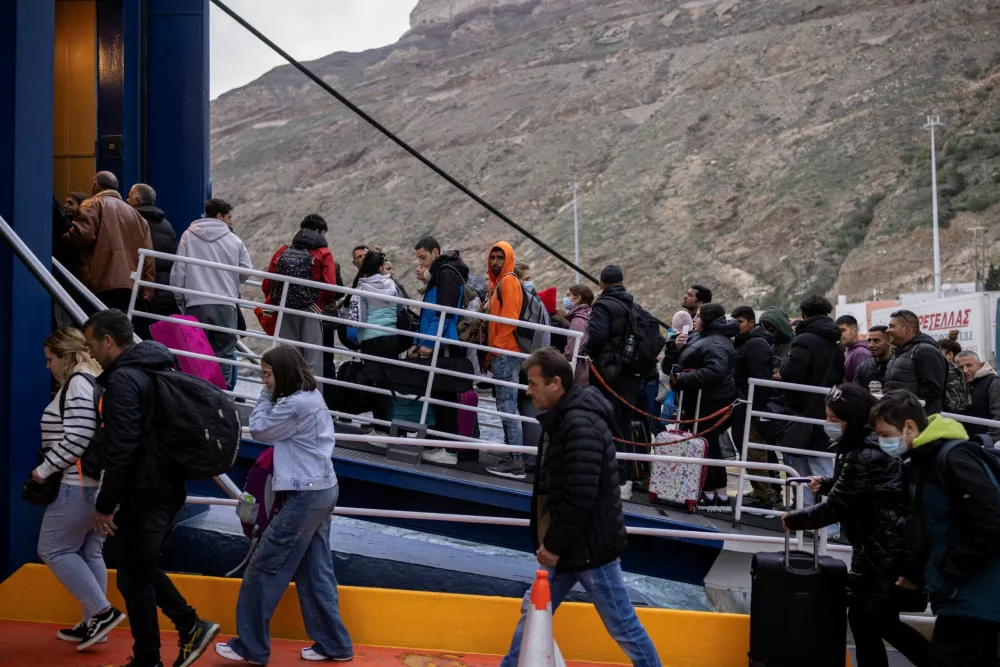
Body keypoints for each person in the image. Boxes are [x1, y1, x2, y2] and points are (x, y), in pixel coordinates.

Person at [497, 348, 661, 667]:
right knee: (534, 609)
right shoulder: (565, 419)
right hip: (573, 545)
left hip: (588, 549)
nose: (527, 391)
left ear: (555, 383)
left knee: (623, 626)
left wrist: (554, 545)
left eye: (532, 383)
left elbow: (580, 495)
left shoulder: (577, 424)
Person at [82, 309, 219, 667]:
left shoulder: (124, 380)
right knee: (135, 570)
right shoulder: (158, 367)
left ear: (108, 341)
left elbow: (122, 448)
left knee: (134, 579)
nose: (92, 353)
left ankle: (151, 658)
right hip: (166, 486)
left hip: (146, 491)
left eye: (92, 344)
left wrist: (105, 504)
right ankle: (188, 626)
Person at [216, 345, 353, 664]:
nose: (264, 380)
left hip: (305, 495)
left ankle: (251, 646)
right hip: (322, 489)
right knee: (314, 571)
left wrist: (264, 395)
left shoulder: (293, 405)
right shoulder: (311, 397)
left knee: (263, 568)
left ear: (283, 374)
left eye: (267, 374)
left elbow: (261, 429)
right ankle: (334, 643)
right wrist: (271, 389)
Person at [782, 384, 930, 667]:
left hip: (883, 549)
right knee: (870, 621)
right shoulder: (862, 446)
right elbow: (860, 489)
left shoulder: (863, 451)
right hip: (878, 545)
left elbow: (840, 504)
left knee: (873, 621)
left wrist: (793, 519)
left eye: (834, 419)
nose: (828, 424)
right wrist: (826, 483)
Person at [872, 390, 1000, 667]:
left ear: (908, 427)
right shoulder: (927, 461)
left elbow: (992, 523)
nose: (882, 442)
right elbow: (931, 523)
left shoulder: (952, 459)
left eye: (885, 434)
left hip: (974, 594)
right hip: (966, 595)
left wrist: (950, 574)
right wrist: (914, 571)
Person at [34, 328, 126, 648]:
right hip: (98, 483)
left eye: (50, 360)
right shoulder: (95, 381)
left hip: (77, 484)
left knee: (53, 549)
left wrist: (43, 470)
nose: (48, 366)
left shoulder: (76, 384)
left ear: (67, 356)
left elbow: (77, 436)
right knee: (90, 551)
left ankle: (100, 613)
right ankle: (94, 626)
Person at [170, 198, 253, 389]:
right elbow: (246, 272)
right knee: (224, 355)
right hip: (226, 306)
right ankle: (221, 398)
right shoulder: (234, 240)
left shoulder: (188, 236)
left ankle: (196, 396)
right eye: (229, 217)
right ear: (219, 216)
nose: (231, 221)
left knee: (195, 356)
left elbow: (178, 272)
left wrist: (179, 298)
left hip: (195, 305)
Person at [669, 303, 739, 512]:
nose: (694, 320)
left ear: (707, 320)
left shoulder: (716, 342)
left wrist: (683, 378)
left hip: (709, 403)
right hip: (702, 402)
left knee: (706, 446)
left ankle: (711, 493)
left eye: (698, 316)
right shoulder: (705, 337)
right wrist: (677, 348)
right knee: (710, 446)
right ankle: (718, 493)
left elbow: (714, 372)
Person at [776, 295, 843, 506]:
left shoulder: (803, 340)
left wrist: (781, 371)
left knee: (799, 467)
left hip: (801, 410)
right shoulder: (836, 343)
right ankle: (828, 522)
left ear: (803, 315)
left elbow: (793, 373)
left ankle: (804, 514)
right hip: (826, 410)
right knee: (823, 464)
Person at [412, 235, 471, 466]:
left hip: (442, 344)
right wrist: (419, 340)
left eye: (423, 257)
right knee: (438, 395)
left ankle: (445, 447)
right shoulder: (441, 273)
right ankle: (440, 445)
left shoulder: (445, 273)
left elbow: (443, 312)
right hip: (438, 341)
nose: (421, 263)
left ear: (435, 252)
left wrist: (429, 342)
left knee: (443, 395)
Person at [62, 171, 156, 311]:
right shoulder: (136, 215)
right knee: (119, 327)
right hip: (129, 285)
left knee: (96, 326)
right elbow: (148, 255)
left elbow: (81, 237)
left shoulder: (91, 204)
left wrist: (61, 239)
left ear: (96, 185)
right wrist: (148, 289)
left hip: (98, 282)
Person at [585, 265, 641, 499]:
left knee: (608, 425)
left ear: (601, 284)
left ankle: (614, 479)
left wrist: (587, 351)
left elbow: (596, 337)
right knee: (623, 426)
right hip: (628, 373)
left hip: (608, 374)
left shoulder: (603, 305)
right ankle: (624, 478)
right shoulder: (633, 306)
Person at [261, 214, 338, 378]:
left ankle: (287, 397)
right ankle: (311, 400)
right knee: (313, 360)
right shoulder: (324, 253)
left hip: (285, 309)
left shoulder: (283, 251)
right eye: (324, 233)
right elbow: (330, 287)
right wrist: (321, 302)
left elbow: (267, 283)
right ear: (318, 231)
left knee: (289, 358)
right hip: (312, 309)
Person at [731, 306, 781, 510]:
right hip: (745, 406)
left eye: (740, 321)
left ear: (752, 323)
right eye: (734, 321)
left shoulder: (756, 344)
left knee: (754, 452)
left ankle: (767, 496)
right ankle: (765, 492)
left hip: (753, 408)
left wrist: (756, 413)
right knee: (751, 452)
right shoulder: (745, 342)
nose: (736, 325)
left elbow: (760, 381)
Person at [485, 242, 527, 479]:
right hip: (503, 352)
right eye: (493, 257)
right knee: (504, 405)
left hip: (506, 353)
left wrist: (497, 350)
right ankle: (513, 456)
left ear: (509, 259)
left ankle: (517, 462)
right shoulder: (500, 283)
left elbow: (510, 318)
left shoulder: (509, 281)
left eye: (501, 257)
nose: (496, 262)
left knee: (508, 406)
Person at [347, 247, 400, 428]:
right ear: (380, 267)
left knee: (375, 383)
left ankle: (380, 429)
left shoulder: (362, 288)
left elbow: (357, 320)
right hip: (392, 339)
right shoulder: (392, 285)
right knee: (387, 384)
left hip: (372, 339)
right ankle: (389, 426)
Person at [127, 183, 179, 339]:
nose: (126, 199)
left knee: (138, 334)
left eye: (129, 196)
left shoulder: (133, 220)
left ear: (136, 199)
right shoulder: (167, 224)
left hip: (141, 290)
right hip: (164, 289)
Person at [884, 310, 947, 415]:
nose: (887, 330)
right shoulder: (898, 353)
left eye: (892, 326)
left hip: (921, 421)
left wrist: (899, 399)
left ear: (906, 328)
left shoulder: (926, 351)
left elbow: (933, 391)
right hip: (902, 417)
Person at [955, 350, 1000, 442]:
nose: (964, 370)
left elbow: (998, 418)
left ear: (980, 365)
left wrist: (987, 443)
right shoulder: (956, 386)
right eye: (960, 367)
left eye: (969, 365)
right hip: (965, 444)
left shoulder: (994, 382)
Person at [563, 284, 594, 386]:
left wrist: (559, 359)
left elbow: (572, 351)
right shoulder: (590, 314)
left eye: (569, 295)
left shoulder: (578, 320)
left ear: (577, 298)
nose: (566, 299)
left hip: (580, 373)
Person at [837, 314, 872, 384]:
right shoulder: (848, 350)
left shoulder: (860, 353)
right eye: (838, 331)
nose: (840, 334)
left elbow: (861, 384)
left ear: (854, 331)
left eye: (843, 330)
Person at [759, 307, 795, 371]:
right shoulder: (767, 343)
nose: (769, 334)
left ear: (781, 328)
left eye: (771, 331)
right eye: (765, 331)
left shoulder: (796, 343)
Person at [857, 325, 892, 391]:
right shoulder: (863, 366)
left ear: (889, 341)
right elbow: (857, 393)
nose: (870, 345)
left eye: (876, 341)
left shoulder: (900, 365)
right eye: (869, 341)